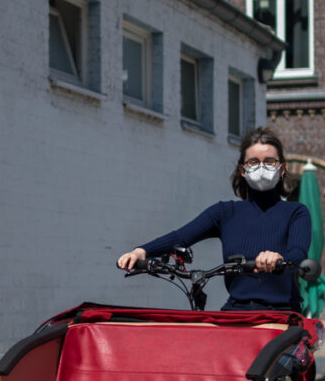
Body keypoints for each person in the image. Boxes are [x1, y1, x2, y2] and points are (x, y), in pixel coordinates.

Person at [117, 126, 311, 312]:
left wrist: (280, 259)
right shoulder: (225, 212)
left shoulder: (296, 212)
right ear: (243, 170)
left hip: (280, 312)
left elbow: (298, 253)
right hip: (236, 310)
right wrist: (142, 251)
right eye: (253, 162)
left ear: (282, 168)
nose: (261, 168)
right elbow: (181, 237)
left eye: (269, 161)